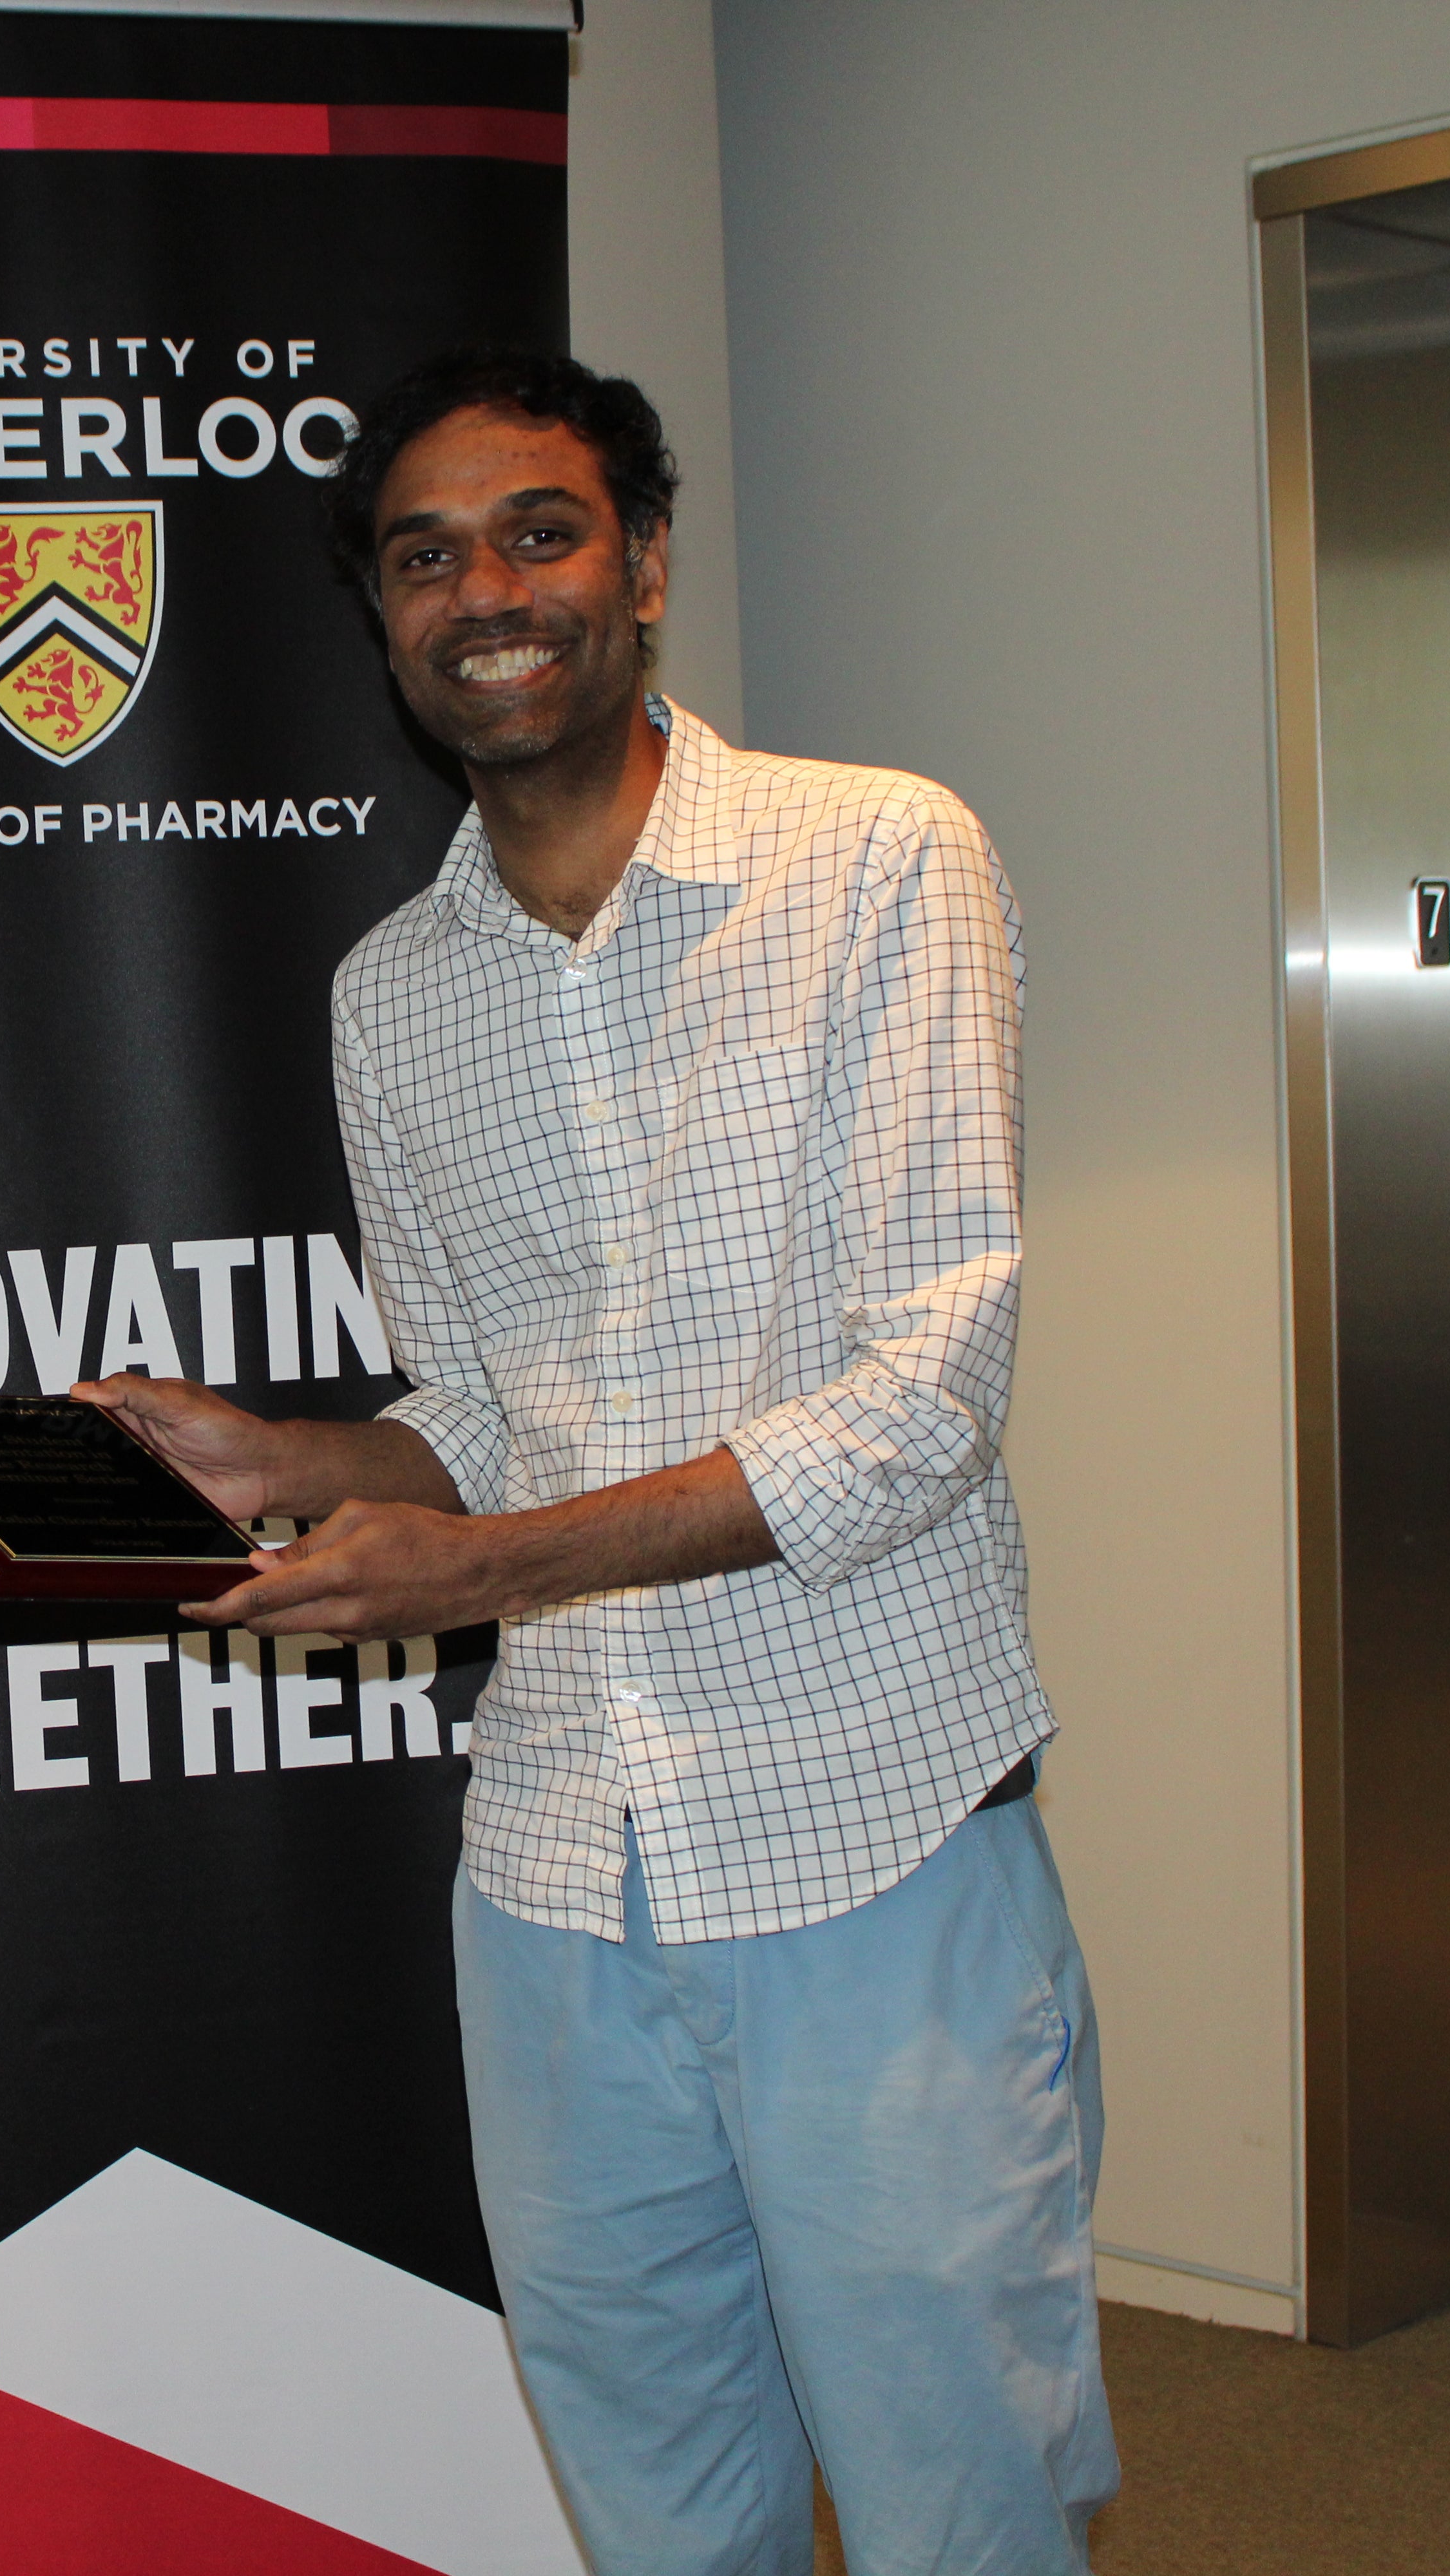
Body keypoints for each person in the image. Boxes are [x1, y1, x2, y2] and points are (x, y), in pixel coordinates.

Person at [86, 354, 1119, 2573]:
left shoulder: (878, 861)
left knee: (965, 2508)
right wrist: (280, 1457)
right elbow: (472, 1407)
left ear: (642, 564)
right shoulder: (392, 991)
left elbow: (922, 1397)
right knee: (662, 2512)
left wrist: (475, 1579)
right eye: (424, 555)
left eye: (540, 531)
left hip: (874, 1846)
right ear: (381, 619)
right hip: (556, 1883)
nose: (489, 590)